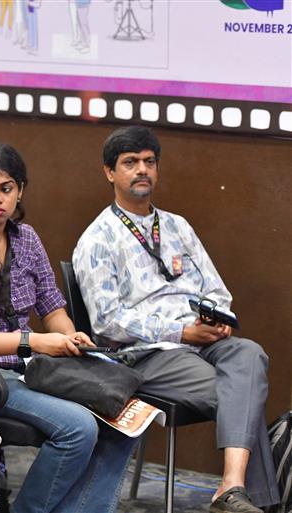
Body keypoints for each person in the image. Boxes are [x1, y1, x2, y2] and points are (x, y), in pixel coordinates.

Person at [73, 126, 279, 512]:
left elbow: (217, 289)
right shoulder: (97, 239)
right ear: (109, 172)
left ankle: (231, 487)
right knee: (243, 392)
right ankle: (258, 502)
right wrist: (181, 330)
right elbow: (106, 322)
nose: (142, 170)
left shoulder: (177, 226)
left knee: (249, 354)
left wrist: (216, 318)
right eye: (130, 163)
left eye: (149, 162)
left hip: (204, 340)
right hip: (150, 353)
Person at [0, 143, 138, 513]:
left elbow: (52, 306)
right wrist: (34, 342)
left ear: (21, 190)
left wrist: (67, 334)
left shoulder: (25, 237)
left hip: (36, 366)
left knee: (126, 412)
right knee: (79, 428)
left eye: (7, 188)